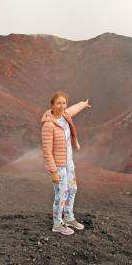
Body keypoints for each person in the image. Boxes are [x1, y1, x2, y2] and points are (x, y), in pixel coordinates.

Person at [40, 91, 91, 235]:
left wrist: (83, 104)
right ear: (52, 105)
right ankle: (57, 224)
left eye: (64, 103)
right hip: (59, 166)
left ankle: (68, 217)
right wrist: (53, 172)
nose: (62, 106)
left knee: (72, 189)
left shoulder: (65, 116)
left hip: (69, 163)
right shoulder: (48, 125)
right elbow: (47, 152)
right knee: (61, 194)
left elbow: (72, 110)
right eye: (58, 103)